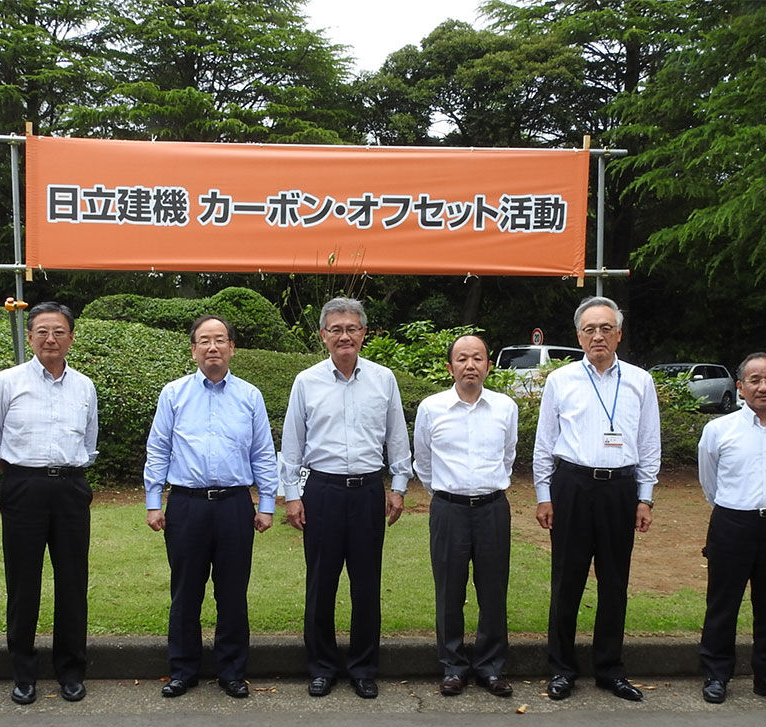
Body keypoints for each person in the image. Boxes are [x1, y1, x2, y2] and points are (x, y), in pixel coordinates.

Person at [281, 297, 412, 699]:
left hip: (368, 491)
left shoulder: (383, 379)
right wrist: (292, 496)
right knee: (321, 583)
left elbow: (396, 437)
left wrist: (399, 486)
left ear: (364, 333)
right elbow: (292, 445)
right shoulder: (306, 381)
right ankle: (321, 667)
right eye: (335, 329)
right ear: (323, 336)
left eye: (351, 328)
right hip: (322, 491)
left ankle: (363, 667)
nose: (344, 336)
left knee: (366, 583)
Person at [144, 315, 278, 699]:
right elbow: (158, 449)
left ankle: (232, 670)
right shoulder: (173, 394)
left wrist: (266, 503)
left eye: (220, 340)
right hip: (186, 504)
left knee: (233, 592)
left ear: (232, 348)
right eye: (204, 341)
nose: (213, 347)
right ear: (193, 350)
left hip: (235, 504)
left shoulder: (249, 396)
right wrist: (155, 502)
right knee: (185, 591)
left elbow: (263, 453)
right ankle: (182, 670)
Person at [533, 296, 660, 702]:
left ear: (619, 334)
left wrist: (646, 497)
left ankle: (609, 668)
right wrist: (543, 494)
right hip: (571, 486)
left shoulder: (640, 381)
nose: (598, 335)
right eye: (590, 329)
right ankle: (561, 669)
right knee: (566, 581)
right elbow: (544, 444)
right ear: (578, 336)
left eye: (606, 328)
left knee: (614, 582)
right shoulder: (561, 380)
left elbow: (649, 442)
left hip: (620, 489)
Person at [0, 302, 98, 706]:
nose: (51, 339)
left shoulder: (84, 386)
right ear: (29, 337)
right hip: (23, 488)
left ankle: (70, 671)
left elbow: (90, 443)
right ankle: (24, 673)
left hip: (70, 488)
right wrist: (21, 477)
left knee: (72, 583)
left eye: (59, 331)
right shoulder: (7, 382)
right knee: (23, 582)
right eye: (42, 331)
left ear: (71, 337)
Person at [698, 353, 766, 707]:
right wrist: (734, 509)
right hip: (732, 522)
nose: (764, 387)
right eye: (755, 380)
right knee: (722, 603)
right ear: (740, 387)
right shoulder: (719, 430)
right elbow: (709, 482)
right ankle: (716, 675)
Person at [414, 335, 517, 697]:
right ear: (450, 367)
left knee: (493, 590)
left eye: (477, 358)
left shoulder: (505, 407)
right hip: (448, 509)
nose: (470, 365)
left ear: (489, 365)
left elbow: (508, 455)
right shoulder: (431, 408)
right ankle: (453, 666)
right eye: (462, 359)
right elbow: (423, 463)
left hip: (492, 509)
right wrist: (446, 493)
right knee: (449, 590)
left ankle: (490, 667)